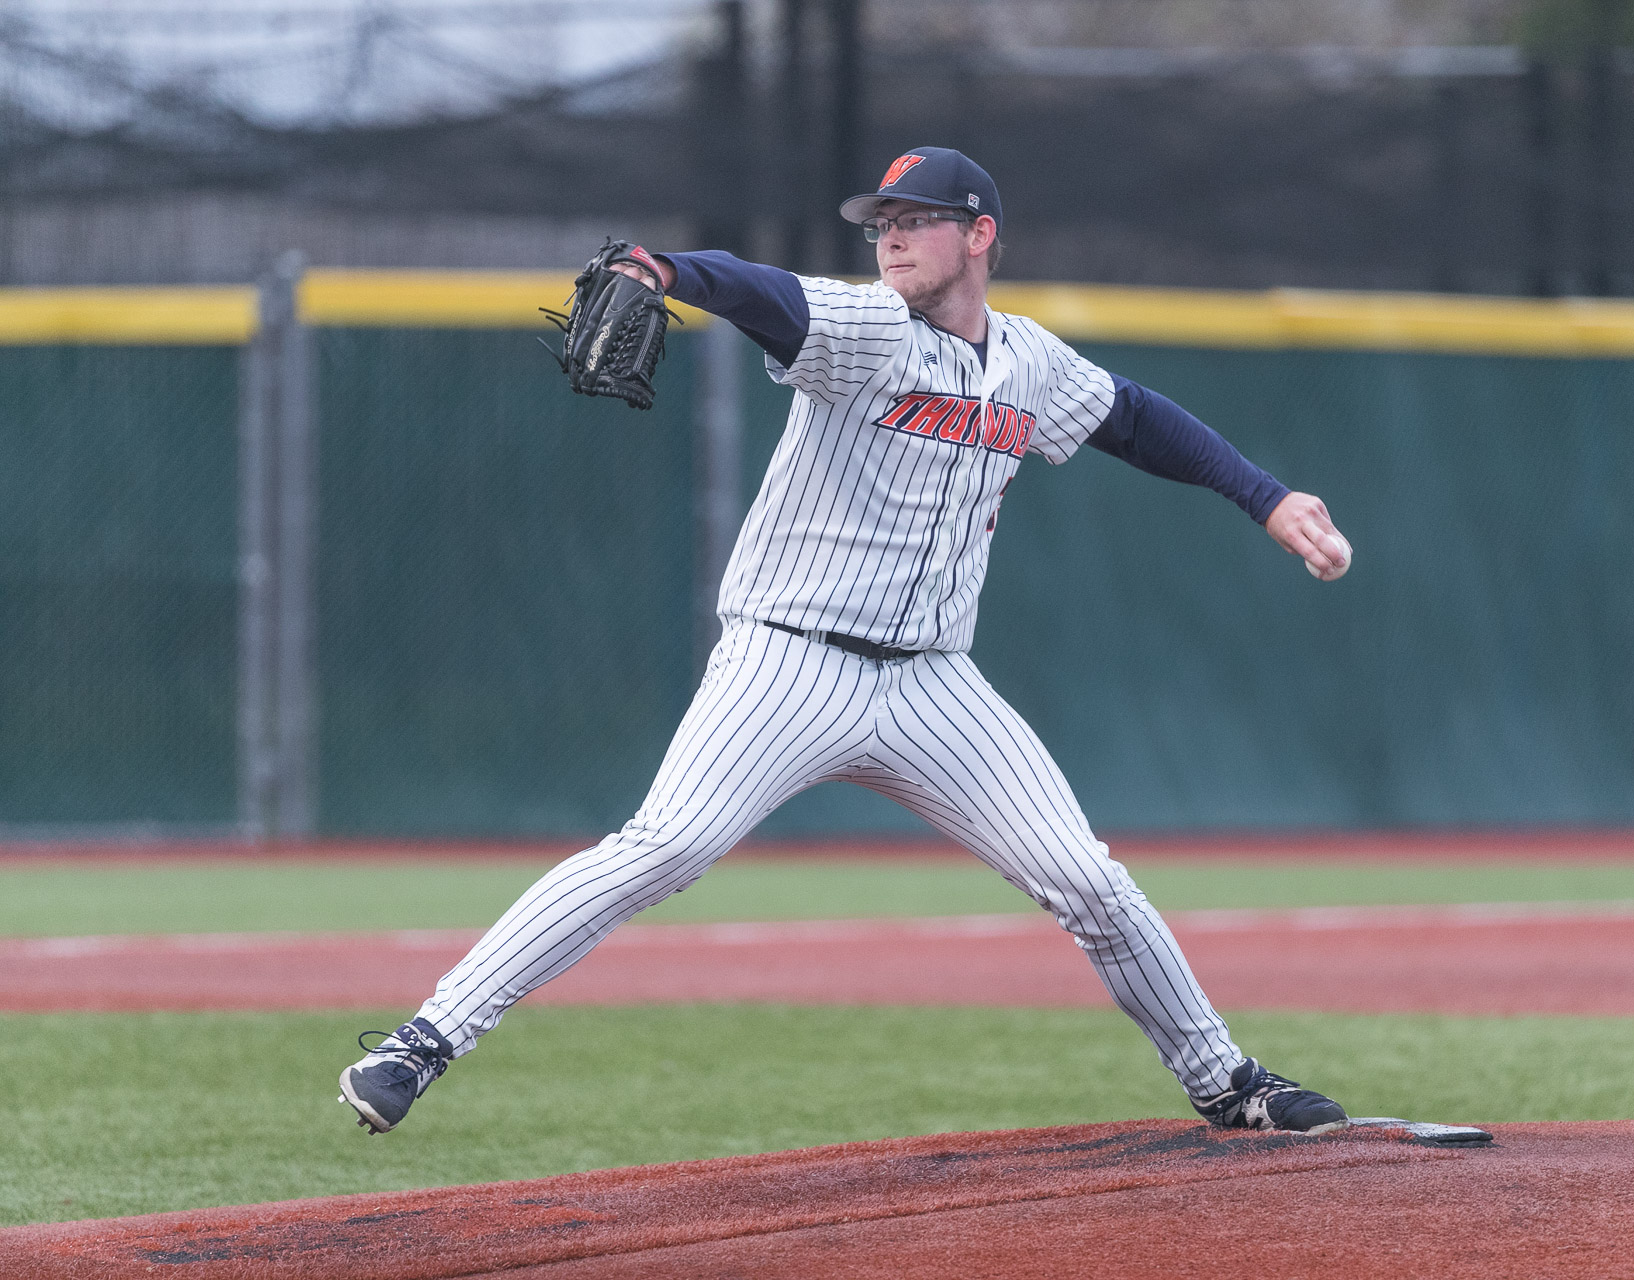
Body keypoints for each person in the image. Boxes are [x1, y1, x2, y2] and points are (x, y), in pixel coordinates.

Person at [338, 147, 1355, 1138]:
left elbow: (1134, 418)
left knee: (1087, 877)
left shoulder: (1030, 361)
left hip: (933, 683)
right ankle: (422, 1040)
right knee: (669, 844)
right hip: (789, 658)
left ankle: (1224, 1080)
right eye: (882, 224)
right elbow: (765, 293)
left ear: (980, 235)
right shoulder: (870, 328)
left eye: (915, 221)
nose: (892, 239)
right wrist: (664, 270)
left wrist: (1264, 497)